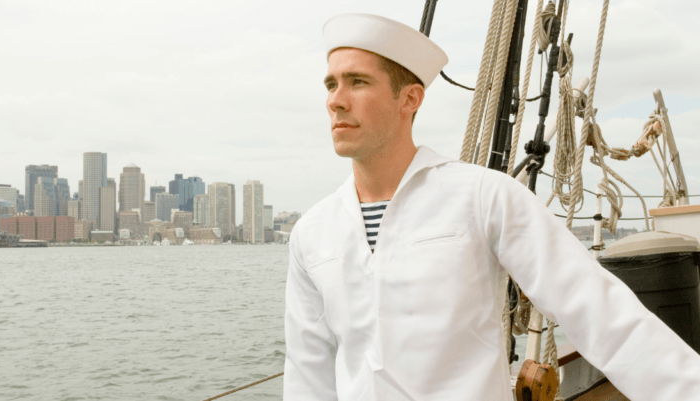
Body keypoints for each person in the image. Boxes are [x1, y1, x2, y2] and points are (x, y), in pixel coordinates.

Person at [283, 13, 700, 401]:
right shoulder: (313, 232)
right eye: (330, 85)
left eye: (357, 82)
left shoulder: (483, 196)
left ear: (409, 99)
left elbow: (598, 310)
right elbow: (308, 373)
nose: (335, 101)